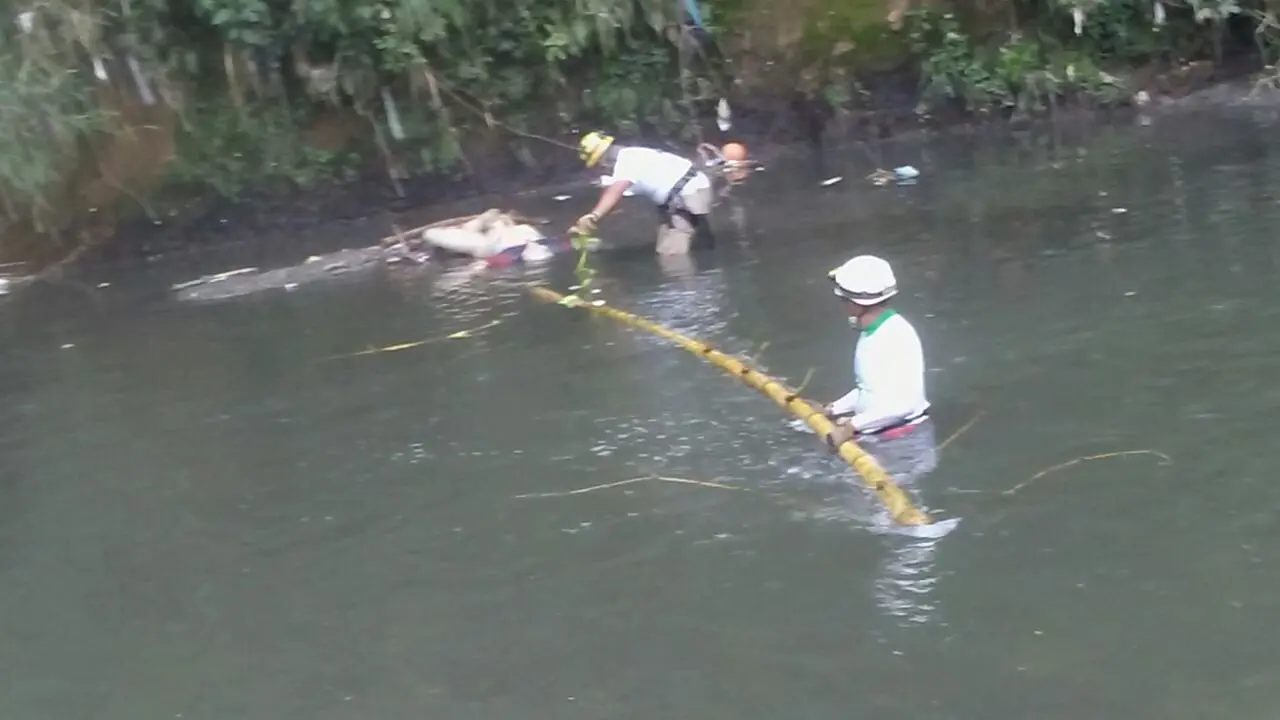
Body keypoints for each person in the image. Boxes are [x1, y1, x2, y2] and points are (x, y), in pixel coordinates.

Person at [822, 254, 932, 447]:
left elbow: (905, 404)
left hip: (904, 443)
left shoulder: (896, 336)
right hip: (879, 434)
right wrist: (833, 409)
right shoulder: (873, 332)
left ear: (854, 303)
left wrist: (852, 426)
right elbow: (869, 390)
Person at [570, 131, 714, 257]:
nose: (599, 167)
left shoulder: (627, 161)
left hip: (688, 194)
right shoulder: (630, 157)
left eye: (596, 163)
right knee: (686, 247)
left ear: (602, 158)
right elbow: (611, 193)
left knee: (672, 255)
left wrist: (594, 216)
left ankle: (689, 283)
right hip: (688, 192)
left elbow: (616, 190)